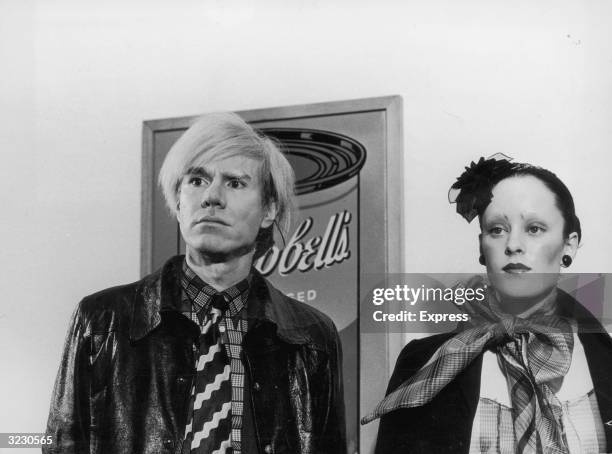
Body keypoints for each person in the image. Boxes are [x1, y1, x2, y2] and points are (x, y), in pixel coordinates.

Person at [44, 112, 346, 454]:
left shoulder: (312, 336)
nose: (211, 197)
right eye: (197, 180)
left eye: (235, 182)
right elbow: (61, 445)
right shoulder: (100, 322)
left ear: (269, 210)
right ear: (177, 199)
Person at [363, 154, 612, 453]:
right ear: (481, 246)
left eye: (534, 228)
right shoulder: (424, 363)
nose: (513, 245)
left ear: (568, 244)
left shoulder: (605, 361)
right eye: (497, 229)